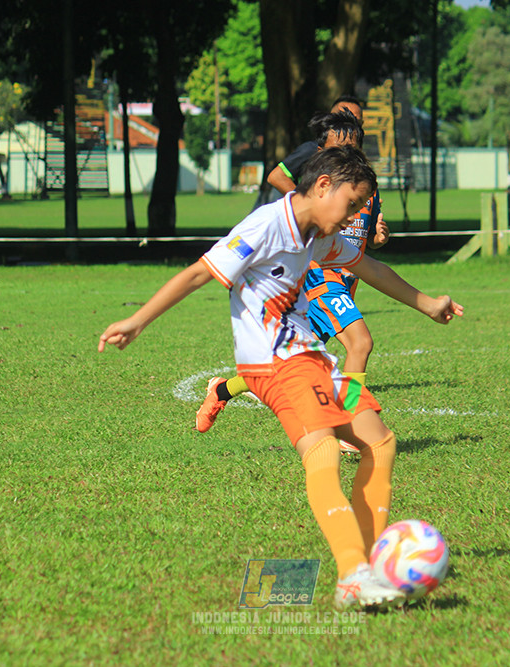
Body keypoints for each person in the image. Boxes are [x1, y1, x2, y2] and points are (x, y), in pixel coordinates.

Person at [98, 146, 463, 610]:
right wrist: (137, 320)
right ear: (324, 185)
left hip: (309, 356)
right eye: (351, 204)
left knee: (380, 442)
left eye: (360, 209)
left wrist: (428, 303)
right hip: (272, 363)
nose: (353, 217)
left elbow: (368, 266)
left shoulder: (319, 236)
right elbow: (197, 275)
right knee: (324, 449)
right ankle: (353, 575)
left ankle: (371, 561)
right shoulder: (267, 225)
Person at [196, 107, 390, 448]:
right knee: (361, 343)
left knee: (283, 363)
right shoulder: (318, 185)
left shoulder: (365, 189)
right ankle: (350, 422)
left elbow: (367, 240)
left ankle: (222, 389)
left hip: (346, 277)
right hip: (320, 276)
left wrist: (377, 234)